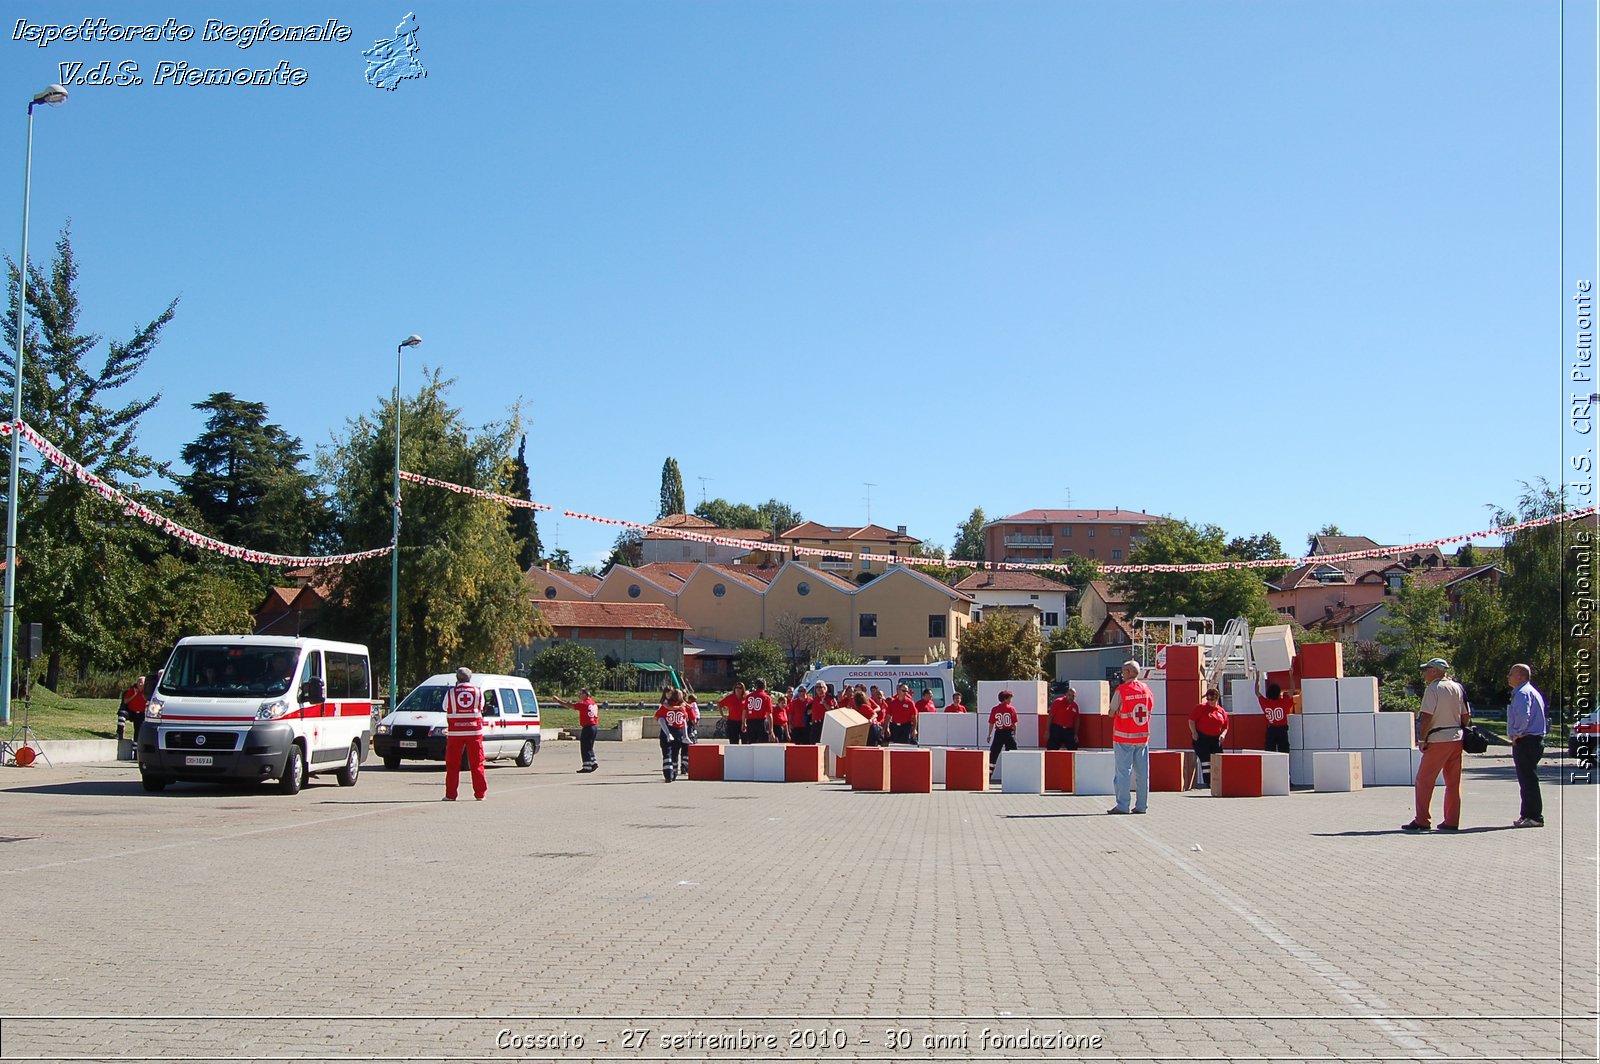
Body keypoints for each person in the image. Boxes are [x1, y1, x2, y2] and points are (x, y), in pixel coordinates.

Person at [1403, 657, 1469, 832]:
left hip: (1438, 739)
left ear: (1434, 671)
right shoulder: (1457, 687)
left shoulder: (1433, 689)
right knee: (1453, 783)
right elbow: (1465, 715)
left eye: (1426, 670)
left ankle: (1422, 820)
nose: (1424, 673)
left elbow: (1426, 717)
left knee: (1424, 780)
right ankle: (1452, 820)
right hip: (1456, 739)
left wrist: (1422, 739)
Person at [1506, 663, 1547, 828]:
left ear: (1520, 676)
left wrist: (1517, 733)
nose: (1508, 677)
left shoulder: (1523, 693)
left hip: (1527, 740)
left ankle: (1535, 816)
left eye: (1511, 674)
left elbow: (1524, 715)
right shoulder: (1526, 692)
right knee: (1525, 779)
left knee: (1528, 780)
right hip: (1530, 740)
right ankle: (1526, 814)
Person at [1109, 660, 1153, 814]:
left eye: (1123, 671)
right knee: (1142, 774)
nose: (1121, 674)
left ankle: (1122, 806)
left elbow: (1111, 711)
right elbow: (1150, 708)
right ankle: (1142, 806)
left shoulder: (1122, 690)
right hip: (1142, 738)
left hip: (1123, 737)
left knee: (1123, 773)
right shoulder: (1146, 689)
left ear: (1128, 672)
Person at [442, 667, 487, 801]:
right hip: (475, 732)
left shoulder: (451, 693)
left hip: (455, 732)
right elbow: (481, 706)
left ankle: (451, 795)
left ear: (457, 678)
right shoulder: (478, 692)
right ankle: (480, 794)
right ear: (470, 678)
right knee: (477, 763)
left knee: (453, 764)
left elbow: (445, 707)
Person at [1188, 686, 1228, 789]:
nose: (1210, 701)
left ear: (1217, 698)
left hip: (1215, 740)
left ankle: (1218, 781)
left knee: (1217, 761)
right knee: (1206, 761)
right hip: (1202, 738)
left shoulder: (1221, 711)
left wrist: (1223, 735)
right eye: (1208, 699)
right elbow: (1191, 720)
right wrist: (1194, 732)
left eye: (1212, 699)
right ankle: (1208, 783)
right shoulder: (1200, 708)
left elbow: (1225, 726)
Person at [552, 688, 600, 773]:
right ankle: (593, 762)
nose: (579, 695)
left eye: (580, 694)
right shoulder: (592, 703)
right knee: (589, 746)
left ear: (585, 694)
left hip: (588, 727)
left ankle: (587, 766)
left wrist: (558, 701)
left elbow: (570, 706)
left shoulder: (584, 704)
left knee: (585, 746)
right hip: (594, 726)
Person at [656, 688, 690, 782]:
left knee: (667, 753)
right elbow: (684, 721)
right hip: (678, 732)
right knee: (675, 754)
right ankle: (674, 773)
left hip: (667, 730)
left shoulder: (665, 706)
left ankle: (668, 774)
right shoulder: (682, 708)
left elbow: (658, 717)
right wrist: (685, 736)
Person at [1257, 674, 1294, 753]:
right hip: (1282, 730)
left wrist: (1257, 677)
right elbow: (1292, 690)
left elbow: (1257, 692)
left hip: (1271, 730)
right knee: (1284, 752)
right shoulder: (1283, 702)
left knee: (1270, 753)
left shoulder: (1265, 703)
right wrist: (1291, 675)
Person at [987, 690, 1019, 775]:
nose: (1011, 700)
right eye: (1009, 698)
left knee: (993, 754)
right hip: (1009, 732)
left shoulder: (995, 709)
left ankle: (988, 775)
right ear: (1005, 699)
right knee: (1012, 753)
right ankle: (1013, 773)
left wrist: (989, 734)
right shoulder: (1011, 709)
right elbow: (1014, 723)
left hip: (999, 732)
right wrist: (1014, 734)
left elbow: (991, 723)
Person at [1047, 686, 1079, 750]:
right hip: (1057, 729)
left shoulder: (1075, 706)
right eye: (1069, 695)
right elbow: (1050, 717)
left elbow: (1077, 720)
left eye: (1073, 696)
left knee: (1073, 747)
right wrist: (1047, 731)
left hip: (1068, 730)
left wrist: (1075, 734)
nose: (1071, 697)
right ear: (1066, 694)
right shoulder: (1058, 702)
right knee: (1052, 749)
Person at [119, 675, 147, 749]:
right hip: (131, 712)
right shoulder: (132, 690)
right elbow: (125, 701)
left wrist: (145, 698)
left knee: (137, 730)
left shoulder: (147, 692)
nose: (140, 684)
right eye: (139, 682)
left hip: (141, 714)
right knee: (122, 713)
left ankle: (135, 750)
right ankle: (120, 732)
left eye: (142, 683)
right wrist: (134, 694)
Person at [744, 679, 775, 743]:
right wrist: (771, 729)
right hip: (761, 722)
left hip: (750, 722)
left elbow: (744, 711)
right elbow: (769, 714)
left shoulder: (749, 696)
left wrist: (743, 722)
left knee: (751, 743)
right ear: (764, 686)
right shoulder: (766, 697)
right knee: (763, 744)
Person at [681, 687, 701, 777]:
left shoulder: (673, 705)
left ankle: (679, 765)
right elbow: (693, 720)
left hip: (677, 729)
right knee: (687, 748)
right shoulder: (689, 706)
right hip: (688, 729)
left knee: (679, 749)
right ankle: (685, 765)